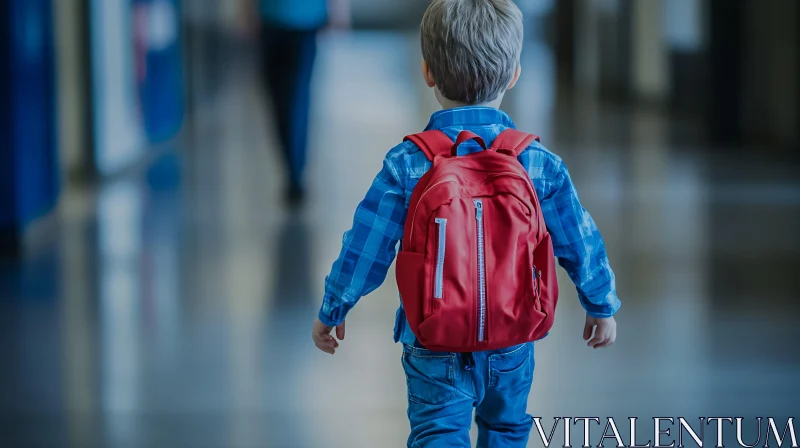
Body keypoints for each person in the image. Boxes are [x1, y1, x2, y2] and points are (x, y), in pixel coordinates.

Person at [312, 0, 621, 446]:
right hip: (513, 337)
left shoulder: (408, 163)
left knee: (438, 434)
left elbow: (367, 245)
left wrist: (334, 307)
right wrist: (601, 302)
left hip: (432, 340)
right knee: (507, 429)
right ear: (514, 74)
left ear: (428, 74)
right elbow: (578, 238)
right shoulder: (536, 163)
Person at [240, 0, 348, 206]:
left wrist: (338, 8)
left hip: (305, 18)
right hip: (270, 17)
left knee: (297, 95)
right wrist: (246, 10)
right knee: (277, 96)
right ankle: (292, 166)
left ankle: (295, 172)